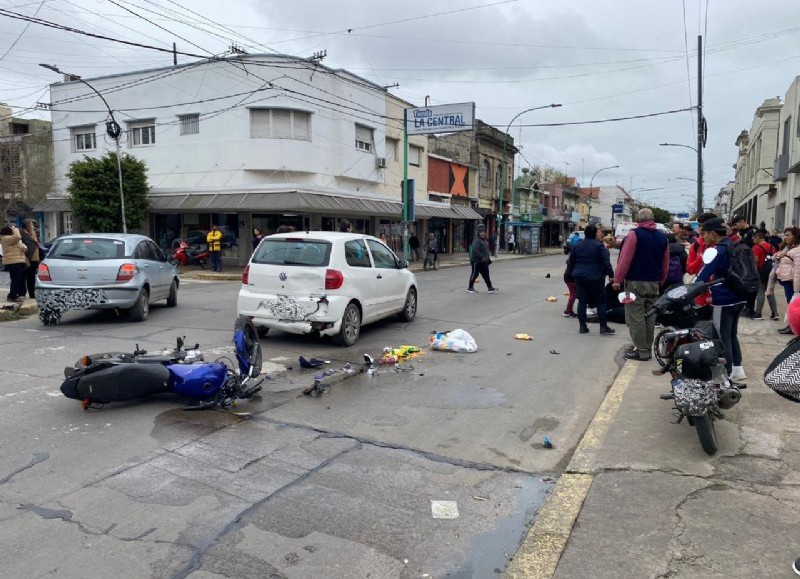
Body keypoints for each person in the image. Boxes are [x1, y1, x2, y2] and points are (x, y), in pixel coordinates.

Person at [613, 208, 670, 361]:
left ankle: (642, 351)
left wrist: (617, 279)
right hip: (653, 283)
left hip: (635, 282)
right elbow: (665, 262)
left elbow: (625, 260)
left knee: (635, 317)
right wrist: (662, 279)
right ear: (653, 220)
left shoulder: (634, 235)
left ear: (638, 221)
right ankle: (647, 348)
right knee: (650, 317)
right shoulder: (662, 238)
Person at [696, 218, 746, 380]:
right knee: (732, 334)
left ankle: (727, 372)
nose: (703, 237)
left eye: (704, 233)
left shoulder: (717, 250)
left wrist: (691, 289)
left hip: (723, 298)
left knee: (722, 336)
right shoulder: (734, 244)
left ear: (712, 233)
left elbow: (702, 276)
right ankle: (738, 369)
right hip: (740, 296)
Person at [567, 223, 615, 335]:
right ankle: (603, 327)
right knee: (601, 301)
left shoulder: (577, 246)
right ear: (595, 234)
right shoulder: (599, 246)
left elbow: (571, 262)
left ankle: (582, 327)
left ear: (585, 234)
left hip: (579, 277)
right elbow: (606, 263)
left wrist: (571, 275)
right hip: (595, 277)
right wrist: (611, 275)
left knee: (582, 301)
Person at [766, 226, 800, 334]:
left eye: (788, 235)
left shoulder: (797, 250)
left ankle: (792, 326)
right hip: (785, 279)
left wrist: (797, 287)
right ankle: (790, 325)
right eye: (785, 235)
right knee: (789, 303)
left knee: (793, 305)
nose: (786, 237)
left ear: (796, 236)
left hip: (791, 281)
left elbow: (798, 268)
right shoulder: (787, 248)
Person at [751, 229, 779, 320]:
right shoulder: (772, 246)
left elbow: (755, 261)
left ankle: (758, 313)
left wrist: (754, 274)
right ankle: (774, 313)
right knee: (770, 292)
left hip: (760, 272)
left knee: (761, 292)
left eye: (754, 237)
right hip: (771, 272)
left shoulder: (756, 247)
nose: (753, 239)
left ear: (759, 237)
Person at [467, 224, 497, 293]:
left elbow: (485, 250)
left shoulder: (484, 240)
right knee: (474, 274)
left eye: (484, 231)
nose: (483, 233)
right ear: (478, 232)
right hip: (476, 261)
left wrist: (487, 259)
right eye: (481, 232)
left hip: (484, 262)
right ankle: (470, 288)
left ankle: (490, 288)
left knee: (486, 275)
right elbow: (475, 250)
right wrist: (482, 257)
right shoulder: (476, 240)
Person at [0, 225, 27, 302]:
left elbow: (19, 243)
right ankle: (12, 296)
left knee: (17, 279)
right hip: (13, 261)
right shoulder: (6, 238)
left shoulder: (11, 239)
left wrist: (24, 247)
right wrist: (15, 229)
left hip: (18, 260)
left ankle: (14, 294)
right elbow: (18, 237)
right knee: (16, 279)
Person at [19, 219, 40, 299]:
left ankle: (32, 293)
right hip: (26, 258)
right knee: (23, 276)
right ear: (27, 225)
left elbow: (37, 242)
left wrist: (33, 232)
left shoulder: (34, 233)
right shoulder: (21, 232)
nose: (33, 225)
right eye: (31, 224)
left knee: (31, 278)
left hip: (34, 259)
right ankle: (22, 293)